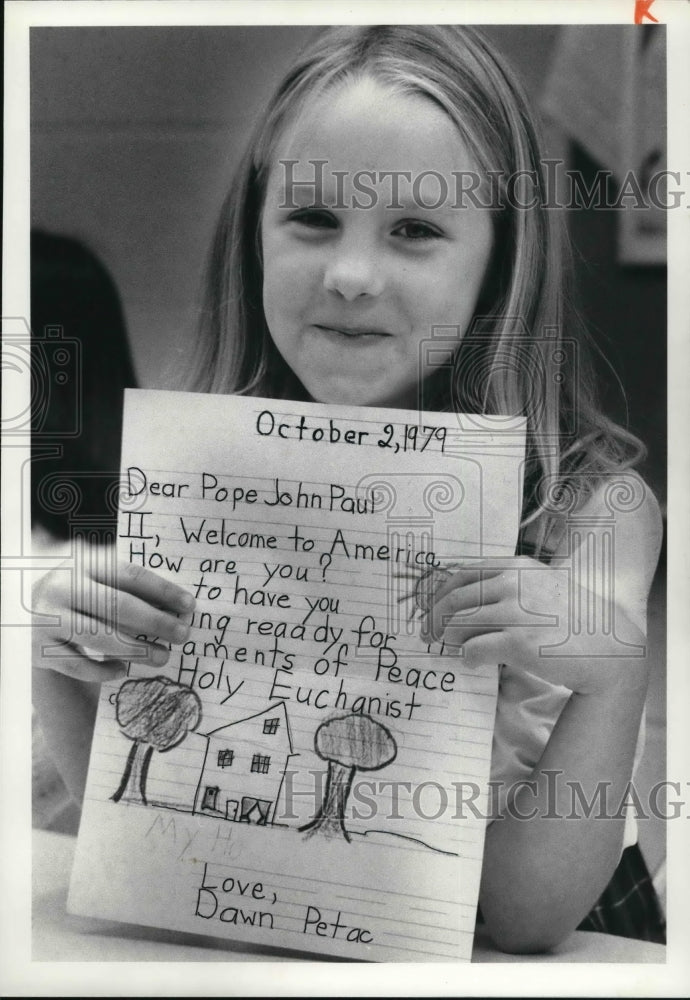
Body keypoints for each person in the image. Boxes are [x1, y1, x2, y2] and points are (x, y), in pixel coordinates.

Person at [32, 25, 665, 953]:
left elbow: (526, 922)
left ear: (501, 263)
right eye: (313, 219)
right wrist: (62, 663)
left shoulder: (592, 512)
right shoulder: (204, 479)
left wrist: (612, 678)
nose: (351, 276)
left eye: (415, 230)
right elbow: (144, 850)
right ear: (252, 237)